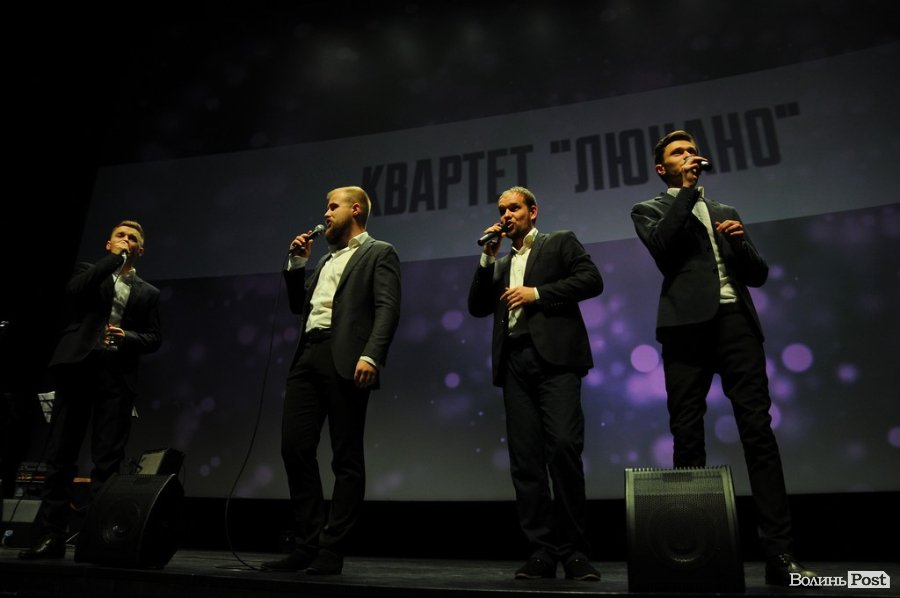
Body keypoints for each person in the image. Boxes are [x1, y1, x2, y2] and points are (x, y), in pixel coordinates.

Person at [630, 130, 817, 586]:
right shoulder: (648, 209)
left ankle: (779, 555)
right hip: (685, 328)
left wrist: (742, 243)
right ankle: (694, 552)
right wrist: (686, 193)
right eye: (679, 153)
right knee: (687, 433)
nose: (689, 156)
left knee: (758, 433)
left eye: (693, 151)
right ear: (662, 168)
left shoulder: (725, 211)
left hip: (736, 324)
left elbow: (758, 274)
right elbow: (664, 249)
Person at [262, 186, 401, 575]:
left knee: (346, 457)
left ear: (355, 210)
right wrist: (297, 265)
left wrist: (372, 354)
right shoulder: (324, 260)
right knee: (294, 447)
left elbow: (387, 308)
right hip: (308, 355)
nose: (325, 213)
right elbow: (299, 306)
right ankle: (306, 543)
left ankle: (331, 548)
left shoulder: (379, 252)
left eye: (332, 207)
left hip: (347, 359)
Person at [468, 186, 604, 581]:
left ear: (533, 211)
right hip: (514, 362)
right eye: (501, 210)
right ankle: (541, 551)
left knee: (563, 447)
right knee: (526, 460)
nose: (506, 215)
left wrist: (537, 293)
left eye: (514, 208)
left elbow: (591, 280)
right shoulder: (500, 262)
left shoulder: (558, 242)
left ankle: (575, 552)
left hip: (556, 361)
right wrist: (486, 257)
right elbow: (477, 307)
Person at [19, 220, 161, 560]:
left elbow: (155, 337)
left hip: (116, 376)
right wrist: (112, 261)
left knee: (107, 461)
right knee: (61, 455)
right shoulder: (89, 272)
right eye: (120, 236)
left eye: (132, 238)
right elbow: (74, 292)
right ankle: (52, 536)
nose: (126, 240)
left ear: (141, 250)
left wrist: (129, 337)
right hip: (78, 369)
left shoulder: (148, 292)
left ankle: (97, 539)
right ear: (108, 244)